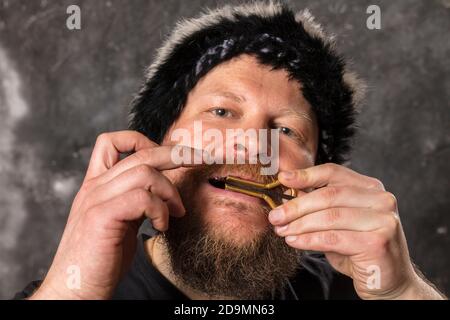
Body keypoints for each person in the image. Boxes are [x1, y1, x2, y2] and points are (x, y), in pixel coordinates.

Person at [16, 1, 445, 300]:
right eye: (221, 111)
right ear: (155, 143)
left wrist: (401, 292)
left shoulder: (357, 291)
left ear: (320, 180)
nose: (252, 145)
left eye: (286, 131)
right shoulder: (75, 289)